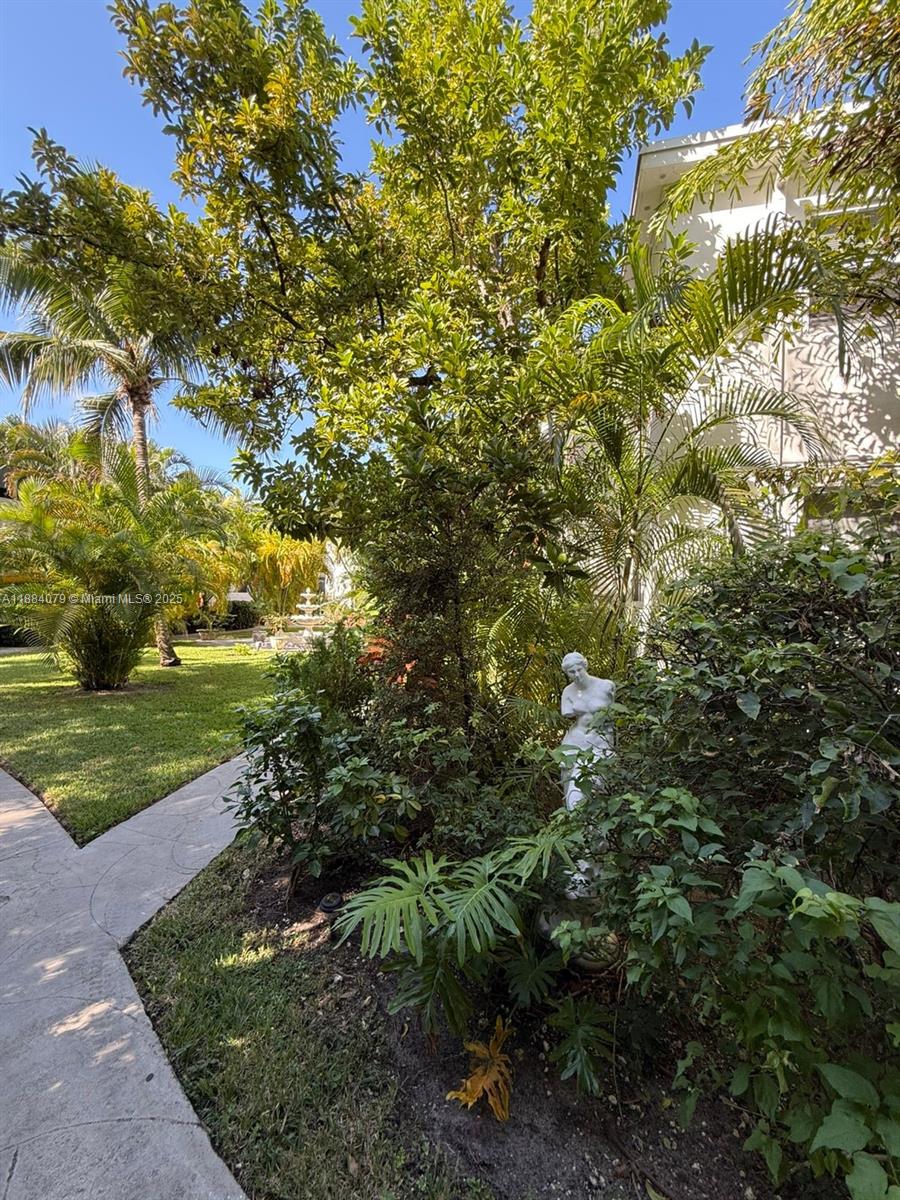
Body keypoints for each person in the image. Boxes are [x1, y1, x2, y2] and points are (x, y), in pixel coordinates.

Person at [559, 651, 615, 811]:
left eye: (579, 669)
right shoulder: (567, 692)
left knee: (596, 791)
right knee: (572, 792)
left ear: (585, 666)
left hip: (599, 745)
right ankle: (575, 827)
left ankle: (596, 832)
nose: (576, 674)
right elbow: (567, 713)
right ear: (567, 673)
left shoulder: (606, 686)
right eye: (571, 672)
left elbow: (612, 719)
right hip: (574, 744)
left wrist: (609, 745)